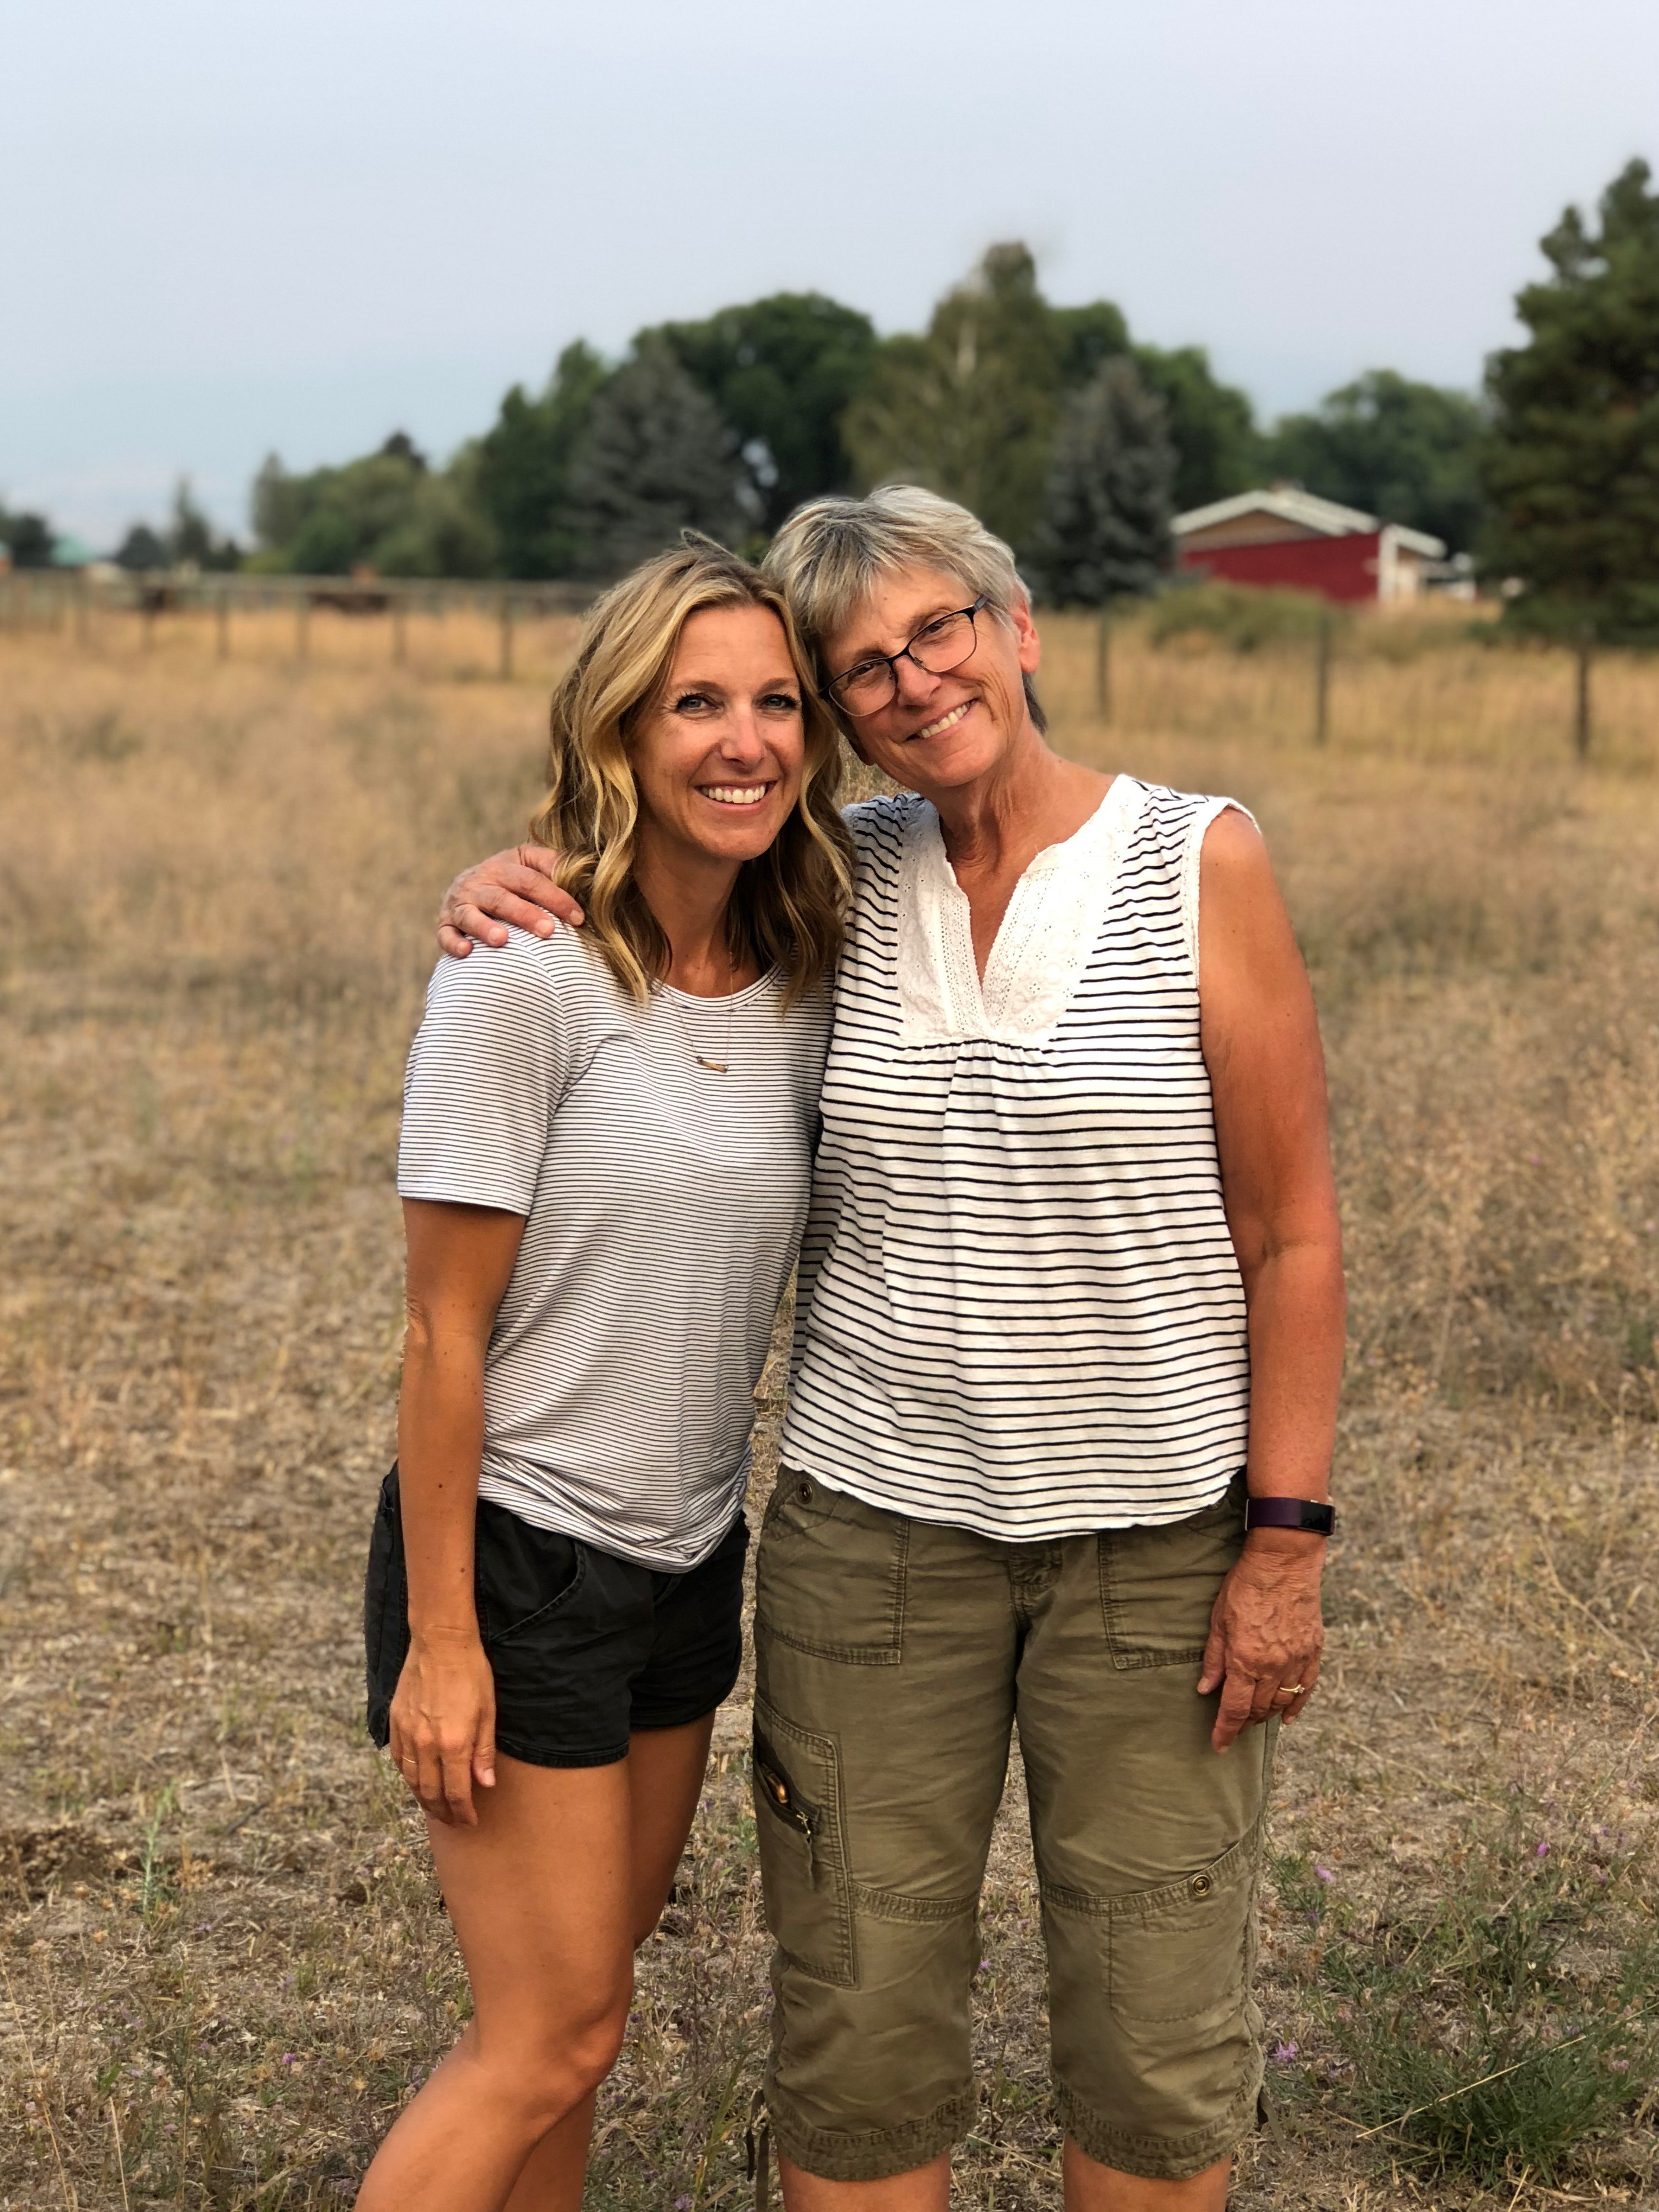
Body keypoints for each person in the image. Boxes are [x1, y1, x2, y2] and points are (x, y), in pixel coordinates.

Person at [439, 486, 1344, 2212]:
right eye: (863, 667)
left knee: (1155, 2044)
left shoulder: (1195, 858)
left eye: (941, 630)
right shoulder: (828, 881)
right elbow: (646, 886)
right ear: (842, 713)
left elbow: (1291, 1233)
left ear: (1019, 626)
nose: (915, 680)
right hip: (875, 1549)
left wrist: (1285, 1543)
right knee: (857, 2033)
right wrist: (505, 877)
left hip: (1153, 1553)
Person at [357, 538, 850, 2212]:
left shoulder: (807, 962)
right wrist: (442, 1640)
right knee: (547, 2036)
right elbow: (440, 1335)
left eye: (778, 701)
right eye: (695, 702)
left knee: (585, 2011)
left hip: (687, 1560)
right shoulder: (526, 972)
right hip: (519, 1560)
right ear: (618, 731)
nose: (745, 740)